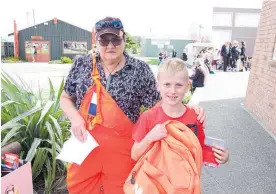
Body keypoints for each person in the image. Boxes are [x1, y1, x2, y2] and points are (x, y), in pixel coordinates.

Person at [60, 16, 206, 194]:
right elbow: (65, 98)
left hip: (123, 155)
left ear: (123, 39)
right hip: (85, 150)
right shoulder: (82, 64)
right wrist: (75, 118)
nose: (110, 45)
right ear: (96, 41)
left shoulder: (139, 69)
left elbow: (162, 104)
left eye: (115, 39)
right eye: (104, 40)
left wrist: (189, 111)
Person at [131, 57, 229, 170]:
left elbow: (199, 150)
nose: (172, 91)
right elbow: (134, 154)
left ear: (187, 86)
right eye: (167, 84)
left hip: (186, 184)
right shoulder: (148, 117)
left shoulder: (195, 116)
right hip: (156, 184)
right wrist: (149, 138)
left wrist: (221, 157)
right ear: (158, 86)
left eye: (178, 85)